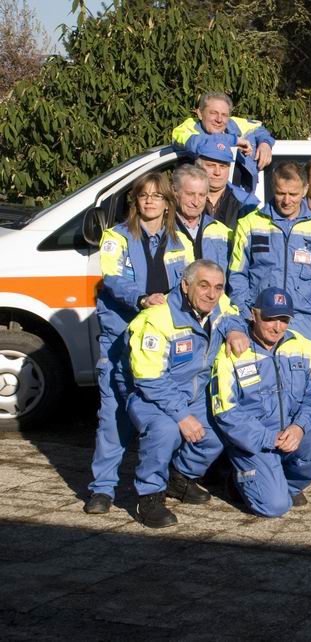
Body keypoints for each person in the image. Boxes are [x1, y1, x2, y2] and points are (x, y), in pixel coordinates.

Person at [84, 173, 194, 515]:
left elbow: (189, 285)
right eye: (143, 195)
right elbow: (113, 279)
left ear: (167, 203)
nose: (149, 201)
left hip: (161, 342)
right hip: (120, 340)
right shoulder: (116, 237)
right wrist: (143, 298)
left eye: (157, 196)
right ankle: (102, 489)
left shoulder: (180, 242)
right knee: (113, 416)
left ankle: (164, 482)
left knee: (165, 414)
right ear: (135, 201)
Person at [125, 260, 248, 527]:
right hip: (154, 397)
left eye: (218, 287)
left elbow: (232, 313)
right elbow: (149, 378)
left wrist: (236, 329)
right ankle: (149, 496)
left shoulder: (218, 305)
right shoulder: (157, 319)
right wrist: (182, 416)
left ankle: (179, 476)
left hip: (196, 394)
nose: (212, 294)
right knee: (165, 431)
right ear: (185, 285)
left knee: (220, 428)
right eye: (203, 286)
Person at [210, 287, 311, 518]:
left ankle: (276, 483)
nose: (277, 327)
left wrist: (299, 427)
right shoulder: (232, 351)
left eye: (284, 320)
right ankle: (242, 482)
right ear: (254, 314)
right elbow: (225, 411)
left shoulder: (303, 346)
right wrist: (268, 438)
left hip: (291, 434)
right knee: (274, 507)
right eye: (270, 319)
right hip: (254, 440)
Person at [228, 161, 311, 340]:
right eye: (281, 193)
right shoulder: (250, 224)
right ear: (273, 188)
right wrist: (246, 313)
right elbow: (237, 275)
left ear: (305, 189)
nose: (287, 201)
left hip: (305, 323)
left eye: (293, 194)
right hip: (260, 320)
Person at [172, 91, 275, 191]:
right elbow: (202, 143)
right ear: (200, 113)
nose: (219, 119)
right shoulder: (185, 129)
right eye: (213, 113)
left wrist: (265, 144)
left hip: (242, 197)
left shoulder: (233, 124)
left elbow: (259, 129)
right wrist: (234, 140)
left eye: (224, 115)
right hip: (198, 197)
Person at [172, 164, 232, 270]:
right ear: (175, 192)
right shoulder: (162, 231)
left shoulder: (223, 232)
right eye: (190, 194)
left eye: (201, 195)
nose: (196, 202)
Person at [194, 139, 260, 230]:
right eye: (211, 165)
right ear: (197, 167)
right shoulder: (184, 198)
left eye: (223, 166)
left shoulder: (247, 203)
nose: (217, 172)